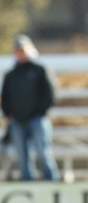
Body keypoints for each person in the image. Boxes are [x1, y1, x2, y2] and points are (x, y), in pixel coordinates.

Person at [1, 34, 60, 181]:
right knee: (22, 157)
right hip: (17, 122)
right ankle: (27, 184)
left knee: (43, 153)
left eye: (22, 49)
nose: (20, 53)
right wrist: (9, 114)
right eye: (17, 50)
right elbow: (5, 97)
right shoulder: (11, 74)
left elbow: (50, 94)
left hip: (37, 119)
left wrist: (40, 112)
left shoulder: (40, 70)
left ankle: (52, 183)